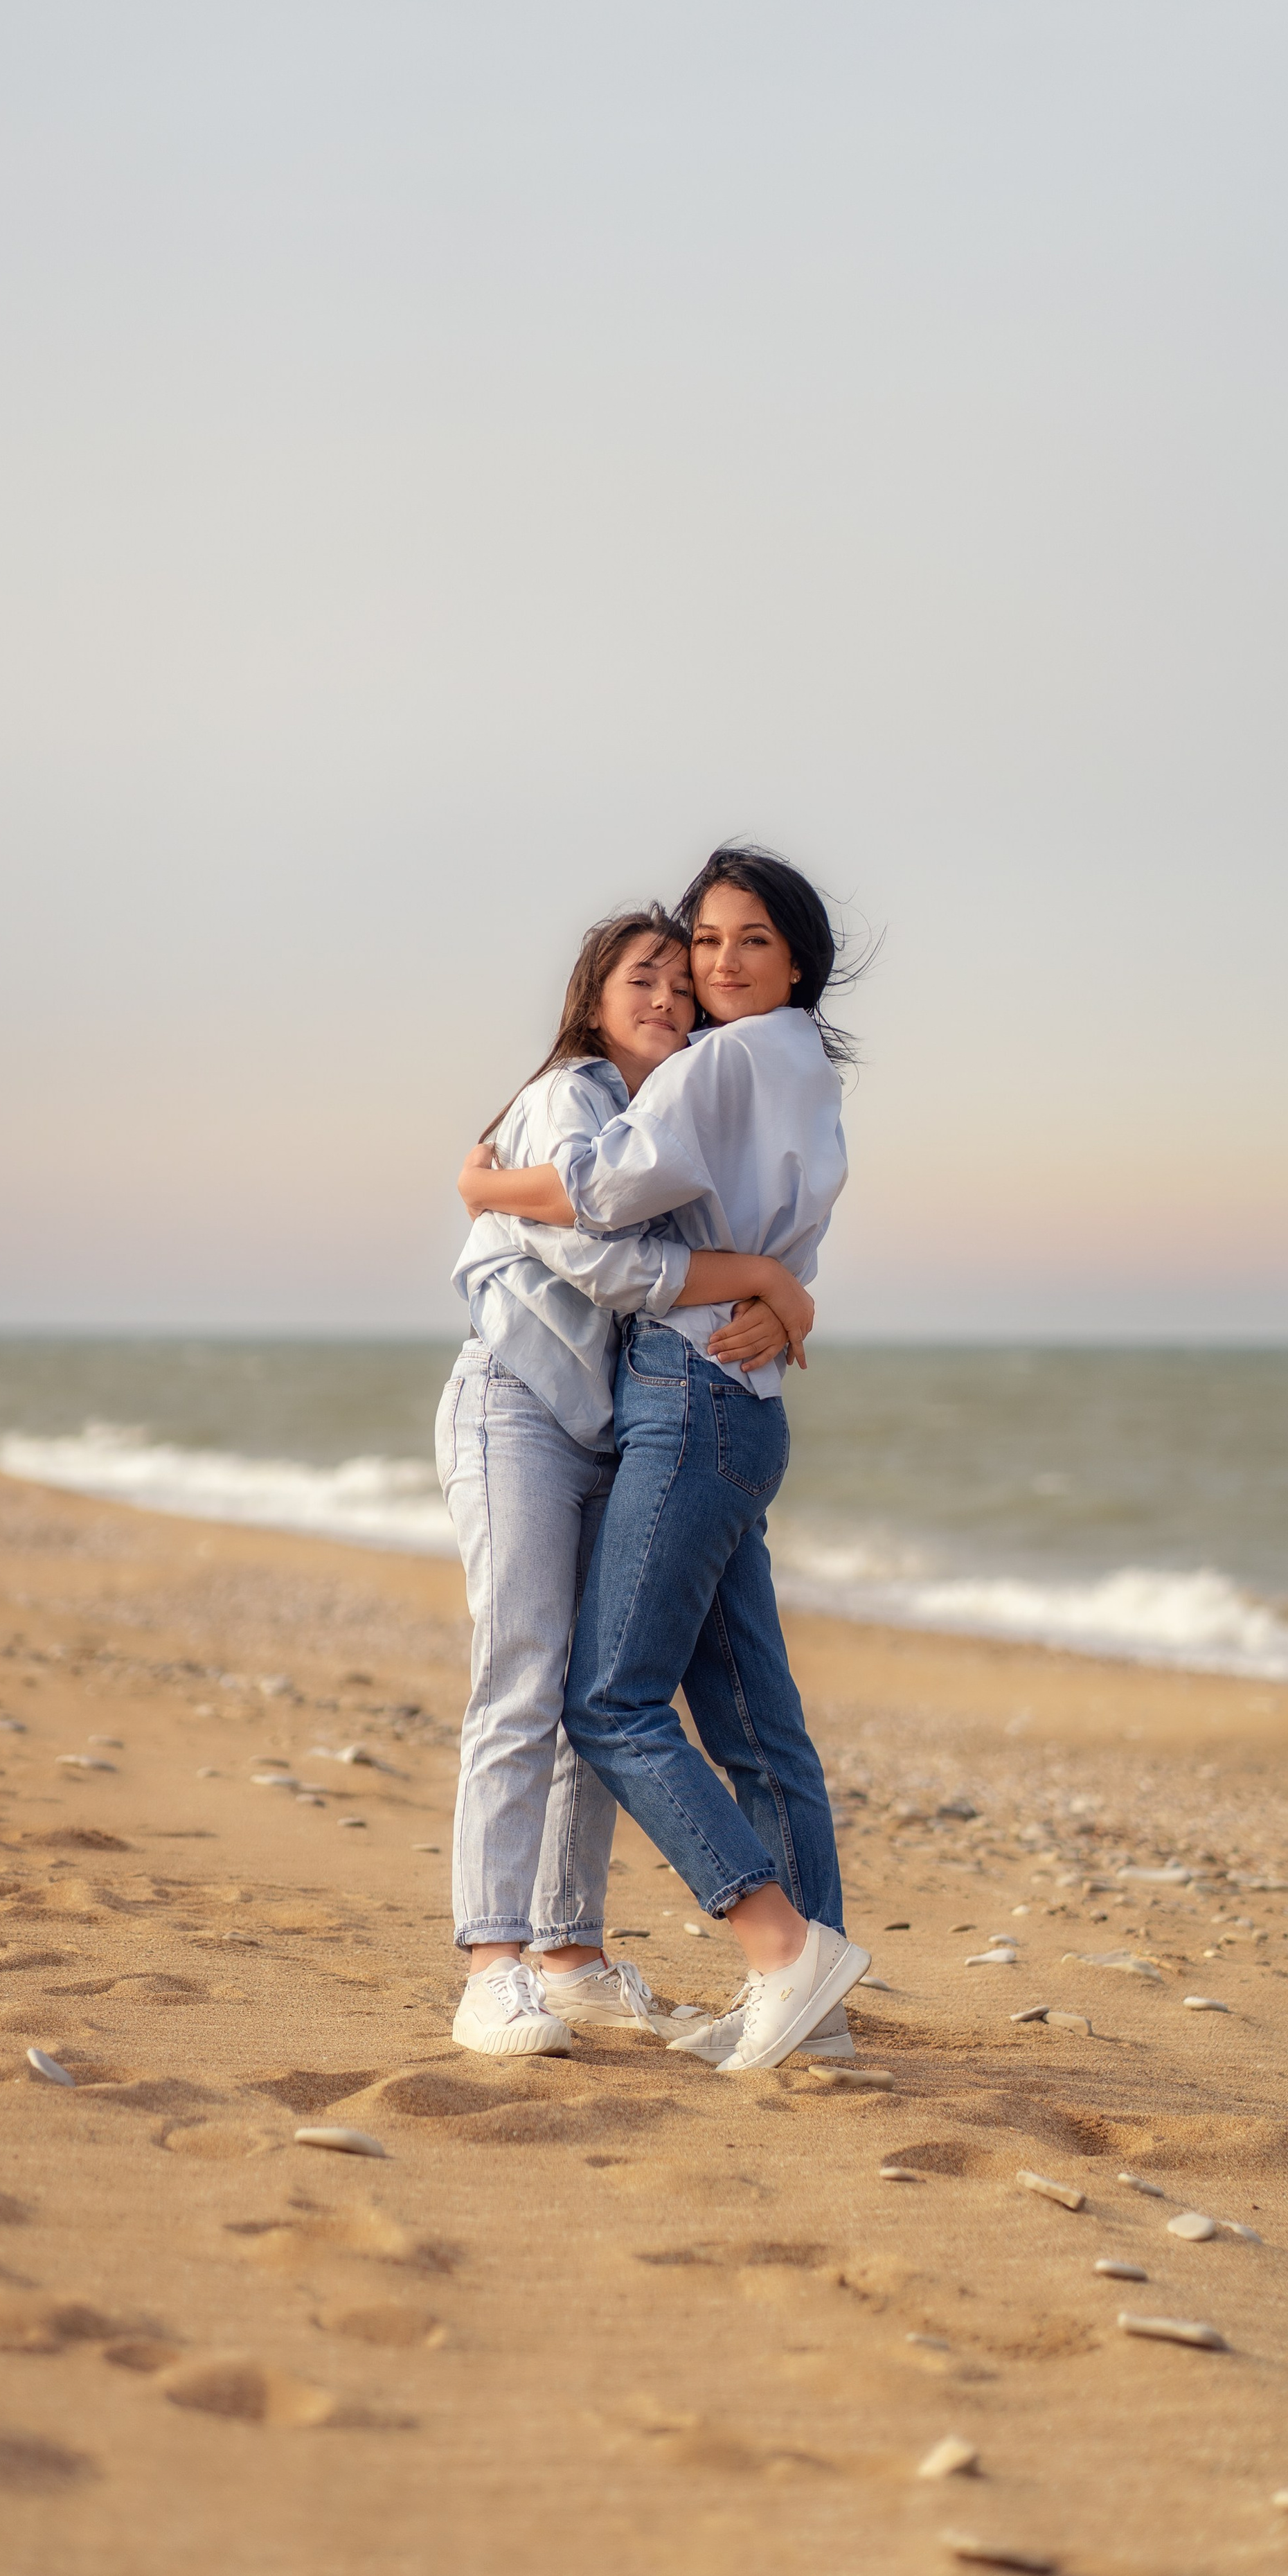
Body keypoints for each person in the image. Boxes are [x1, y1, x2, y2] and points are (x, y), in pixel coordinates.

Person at [454, 847, 868, 2073]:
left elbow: (604, 1197)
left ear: (798, 961)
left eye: (748, 944)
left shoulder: (726, 1062)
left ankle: (785, 1955)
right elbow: (733, 1223)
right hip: (726, 1394)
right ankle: (812, 2005)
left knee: (612, 1698)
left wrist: (482, 1186)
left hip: (686, 1391)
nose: (711, 971)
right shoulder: (790, 1067)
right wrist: (776, 1285)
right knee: (748, 1713)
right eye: (701, 947)